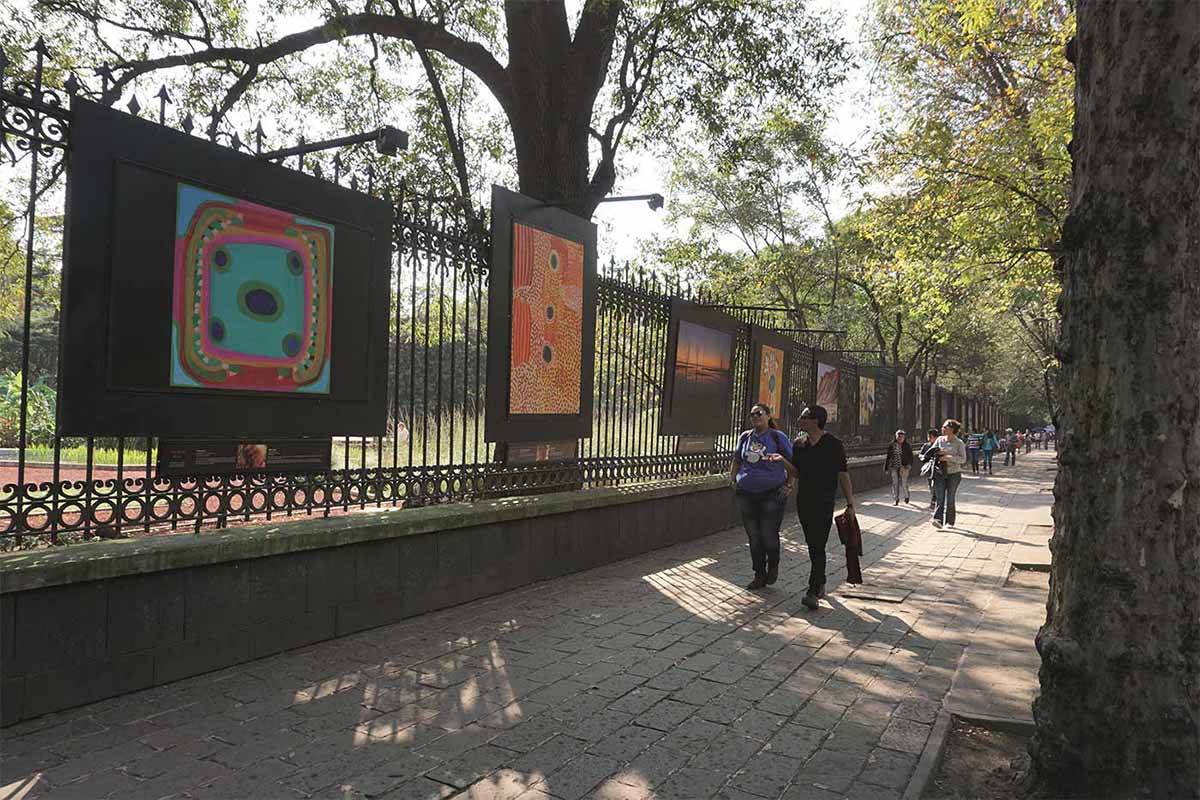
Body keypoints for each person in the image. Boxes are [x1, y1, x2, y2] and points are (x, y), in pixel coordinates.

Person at [777, 405, 855, 611]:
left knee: (818, 544)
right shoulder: (799, 444)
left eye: (804, 417)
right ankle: (820, 580)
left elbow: (843, 474)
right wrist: (782, 462)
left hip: (825, 501)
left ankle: (812, 591)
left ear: (815, 421)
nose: (800, 420)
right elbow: (796, 472)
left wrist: (850, 504)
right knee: (812, 544)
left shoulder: (833, 444)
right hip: (805, 501)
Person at [729, 403, 793, 590]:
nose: (755, 417)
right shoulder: (745, 437)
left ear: (768, 415)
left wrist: (789, 484)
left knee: (768, 534)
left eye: (759, 413)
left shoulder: (777, 436)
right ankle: (759, 573)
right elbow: (736, 460)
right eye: (752, 414)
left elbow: (791, 463)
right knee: (754, 536)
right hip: (747, 494)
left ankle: (773, 565)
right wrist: (732, 480)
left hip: (772, 494)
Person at [932, 419, 966, 528]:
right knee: (940, 497)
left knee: (950, 498)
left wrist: (949, 457)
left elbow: (963, 459)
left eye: (945, 427)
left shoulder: (959, 443)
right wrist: (938, 453)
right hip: (940, 473)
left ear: (951, 429)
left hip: (954, 474)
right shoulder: (939, 440)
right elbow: (932, 452)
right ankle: (938, 520)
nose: (943, 428)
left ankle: (950, 522)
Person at [883, 429, 914, 505]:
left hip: (904, 467)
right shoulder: (892, 445)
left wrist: (910, 465)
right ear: (896, 437)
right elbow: (888, 457)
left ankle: (906, 496)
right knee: (895, 483)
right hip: (894, 467)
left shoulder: (907, 445)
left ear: (904, 437)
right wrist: (886, 468)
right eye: (899, 436)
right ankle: (896, 499)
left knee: (904, 483)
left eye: (902, 437)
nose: (900, 438)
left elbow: (911, 456)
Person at [919, 428, 940, 509]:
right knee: (931, 485)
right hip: (928, 468)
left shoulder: (939, 445)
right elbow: (921, 454)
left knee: (936, 485)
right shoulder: (926, 445)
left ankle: (934, 500)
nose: (929, 438)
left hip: (937, 469)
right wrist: (923, 457)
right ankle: (934, 498)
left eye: (930, 436)